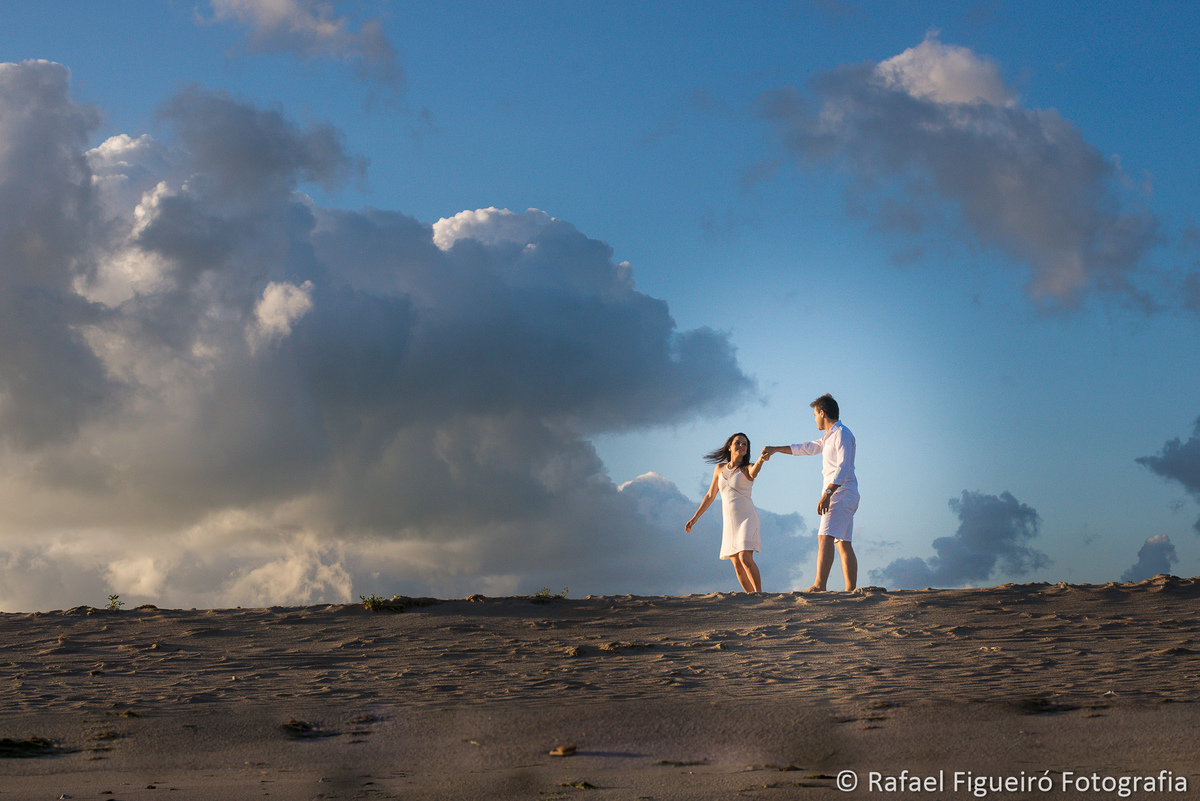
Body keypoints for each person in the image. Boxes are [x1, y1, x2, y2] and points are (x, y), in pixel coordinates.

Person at [761, 394, 859, 592]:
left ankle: (819, 585)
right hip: (842, 493)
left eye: (815, 414)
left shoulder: (842, 434)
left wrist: (827, 494)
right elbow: (806, 448)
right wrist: (775, 449)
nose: (814, 419)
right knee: (843, 543)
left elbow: (843, 467)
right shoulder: (829, 436)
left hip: (841, 493)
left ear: (822, 413)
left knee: (825, 536)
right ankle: (851, 592)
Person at [685, 432, 768, 593]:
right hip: (730, 523)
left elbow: (754, 472)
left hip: (747, 519)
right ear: (730, 446)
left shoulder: (746, 468)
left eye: (745, 444)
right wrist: (695, 518)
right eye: (738, 443)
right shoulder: (719, 469)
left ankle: (759, 594)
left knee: (745, 557)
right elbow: (710, 495)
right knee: (737, 565)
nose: (741, 446)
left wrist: (761, 460)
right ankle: (751, 598)